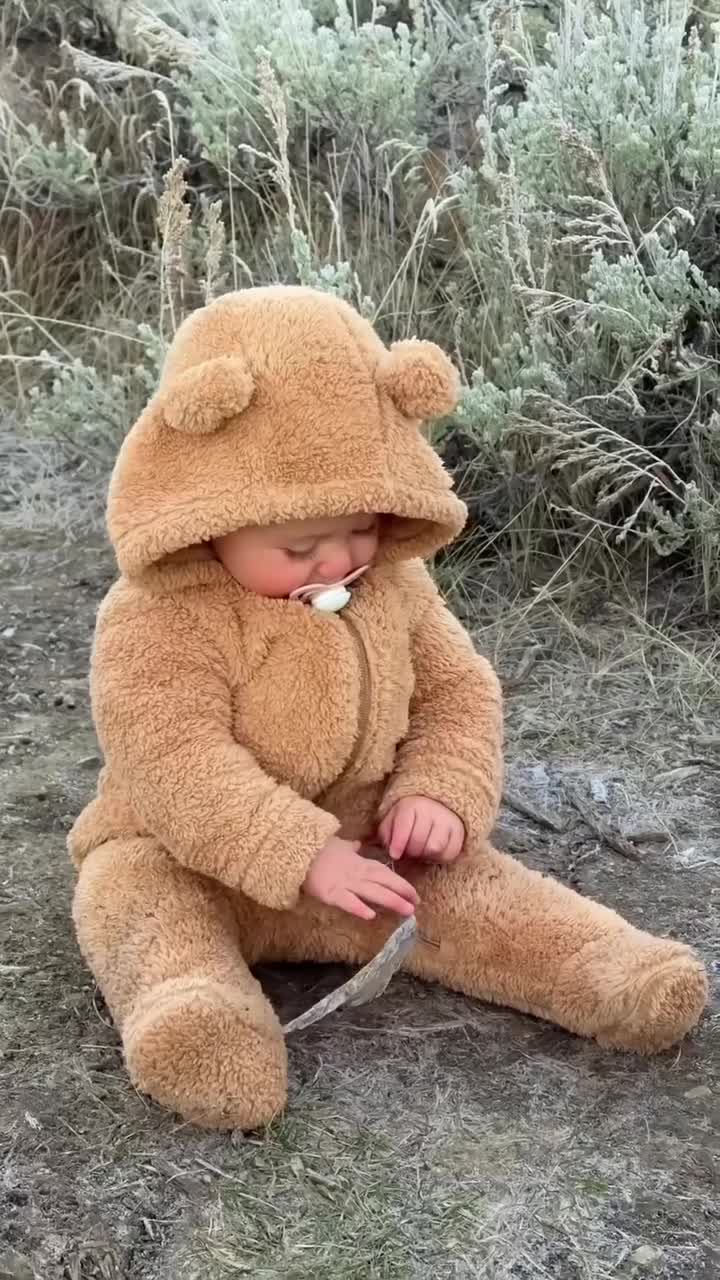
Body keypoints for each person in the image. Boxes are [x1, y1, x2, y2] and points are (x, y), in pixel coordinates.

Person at [69, 286, 707, 1130]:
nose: (338, 562)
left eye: (361, 529)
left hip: (368, 846)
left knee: (474, 891)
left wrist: (438, 791)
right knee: (139, 906)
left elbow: (457, 690)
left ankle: (607, 970)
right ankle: (200, 1020)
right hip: (188, 853)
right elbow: (170, 760)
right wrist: (299, 852)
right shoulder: (160, 615)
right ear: (211, 516)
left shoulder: (396, 585)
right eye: (299, 545)